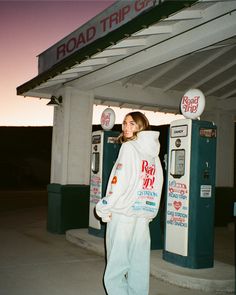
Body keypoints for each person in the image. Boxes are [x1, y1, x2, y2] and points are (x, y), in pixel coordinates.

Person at [96, 111, 163, 295]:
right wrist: (151, 212)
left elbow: (119, 182)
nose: (126, 127)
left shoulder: (129, 148)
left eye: (132, 123)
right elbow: (158, 184)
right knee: (138, 265)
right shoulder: (154, 155)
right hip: (142, 216)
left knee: (116, 267)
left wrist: (104, 206)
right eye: (125, 123)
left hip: (123, 214)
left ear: (141, 126)